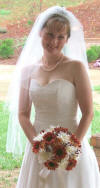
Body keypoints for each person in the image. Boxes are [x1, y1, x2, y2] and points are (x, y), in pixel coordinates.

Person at [6, 6, 100, 188]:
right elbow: (23, 114)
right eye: (49, 34)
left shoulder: (76, 68)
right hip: (39, 149)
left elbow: (88, 112)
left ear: (66, 39)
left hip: (72, 145)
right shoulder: (27, 71)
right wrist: (38, 145)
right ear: (40, 33)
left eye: (60, 37)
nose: (54, 41)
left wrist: (71, 147)